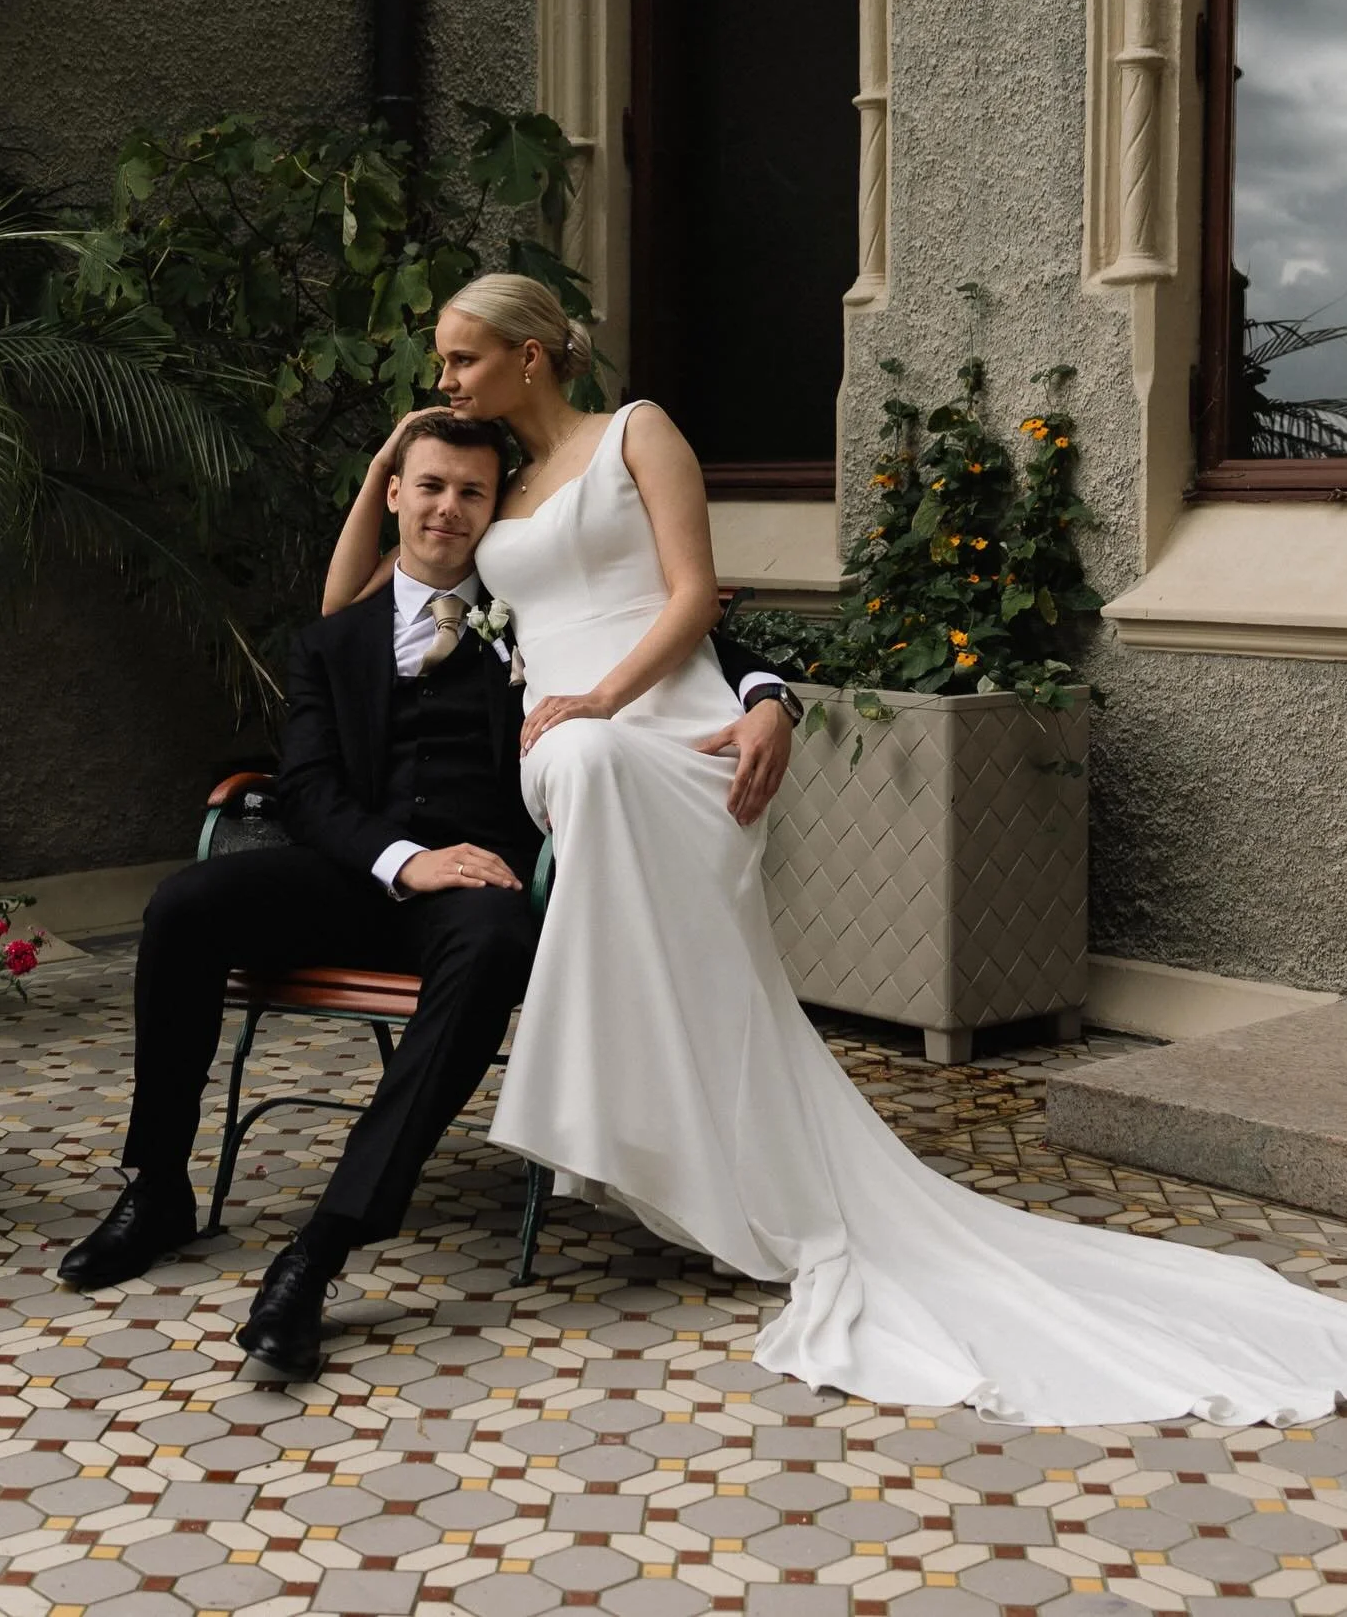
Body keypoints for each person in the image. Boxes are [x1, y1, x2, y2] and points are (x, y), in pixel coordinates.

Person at [328, 271, 1347, 1427]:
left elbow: (695, 599)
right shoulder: (488, 482)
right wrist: (392, 456)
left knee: (609, 762)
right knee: (586, 766)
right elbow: (347, 613)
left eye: (460, 360)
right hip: (568, 745)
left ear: (530, 356)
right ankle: (622, 1116)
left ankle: (645, 1125)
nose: (445, 382)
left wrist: (646, 694)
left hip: (670, 718)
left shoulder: (639, 433)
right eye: (441, 369)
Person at [57, 411, 795, 1378]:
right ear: (395, 493)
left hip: (480, 887)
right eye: (432, 486)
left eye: (473, 494)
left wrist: (769, 695)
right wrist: (404, 858)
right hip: (356, 874)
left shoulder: (535, 616)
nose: (449, 508)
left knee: (494, 940)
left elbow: (701, 642)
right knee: (185, 906)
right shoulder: (332, 642)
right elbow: (311, 791)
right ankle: (156, 1189)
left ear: (494, 514)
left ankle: (320, 1250)